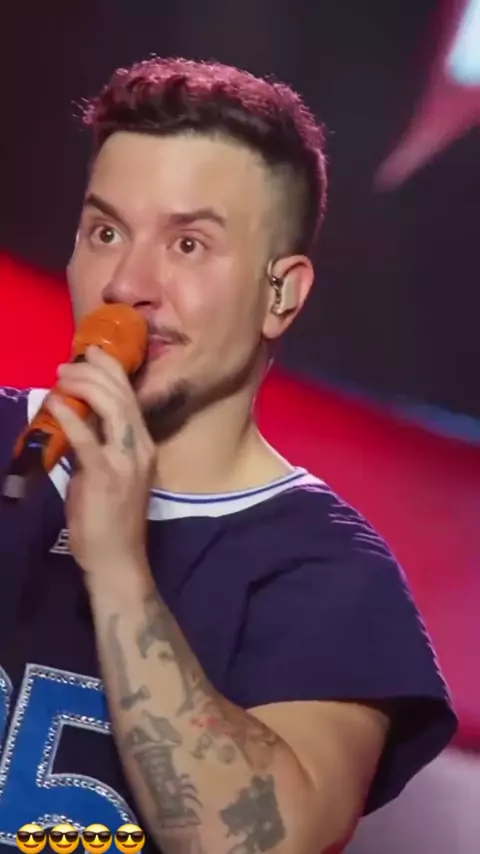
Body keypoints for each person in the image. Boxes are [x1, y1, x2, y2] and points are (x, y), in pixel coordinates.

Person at [0, 57, 456, 854]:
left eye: (188, 244)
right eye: (106, 232)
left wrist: (119, 567)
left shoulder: (329, 574)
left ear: (281, 294)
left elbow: (260, 844)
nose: (127, 285)